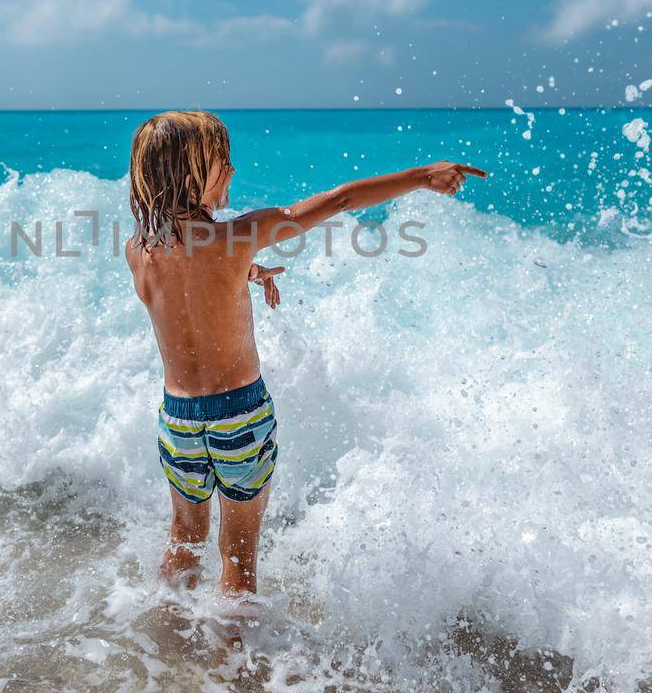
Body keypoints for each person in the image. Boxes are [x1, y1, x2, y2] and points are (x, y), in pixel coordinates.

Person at [125, 110, 485, 598]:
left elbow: (187, 288)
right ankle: (232, 667)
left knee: (185, 539)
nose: (231, 171)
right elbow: (341, 199)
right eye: (221, 162)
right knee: (239, 554)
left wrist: (249, 274)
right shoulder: (239, 237)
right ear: (189, 175)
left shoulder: (139, 249)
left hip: (179, 421)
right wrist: (422, 177)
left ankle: (163, 639)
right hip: (239, 414)